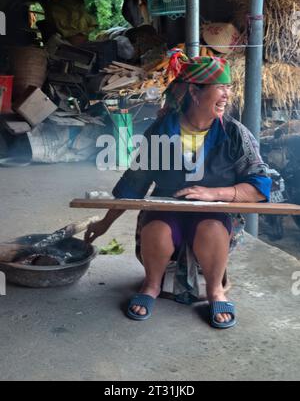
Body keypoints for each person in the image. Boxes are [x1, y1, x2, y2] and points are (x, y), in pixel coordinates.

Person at [85, 52, 272, 329]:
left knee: (211, 229)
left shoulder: (234, 134)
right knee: (157, 230)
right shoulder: (162, 130)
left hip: (213, 216)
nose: (226, 95)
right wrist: (104, 222)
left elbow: (259, 185)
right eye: (220, 88)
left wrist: (214, 193)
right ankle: (151, 286)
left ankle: (215, 291)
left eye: (228, 88)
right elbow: (133, 185)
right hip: (166, 210)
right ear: (195, 93)